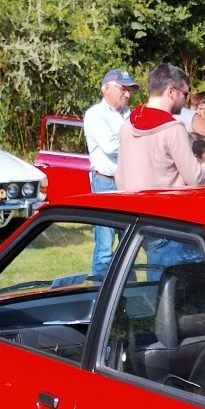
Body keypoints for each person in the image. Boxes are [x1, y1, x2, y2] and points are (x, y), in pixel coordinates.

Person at [117, 63, 205, 268]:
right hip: (168, 222)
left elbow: (121, 177)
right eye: (185, 94)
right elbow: (195, 178)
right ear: (171, 91)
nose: (186, 100)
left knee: (155, 285)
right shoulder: (172, 128)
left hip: (137, 220)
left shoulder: (128, 124)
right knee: (173, 292)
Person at [84, 68, 140, 278]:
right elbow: (110, 146)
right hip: (105, 184)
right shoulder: (95, 115)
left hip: (129, 184)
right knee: (105, 246)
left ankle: (128, 291)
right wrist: (135, 139)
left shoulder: (131, 115)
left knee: (130, 243)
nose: (127, 94)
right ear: (105, 89)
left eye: (129, 90)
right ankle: (99, 294)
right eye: (123, 88)